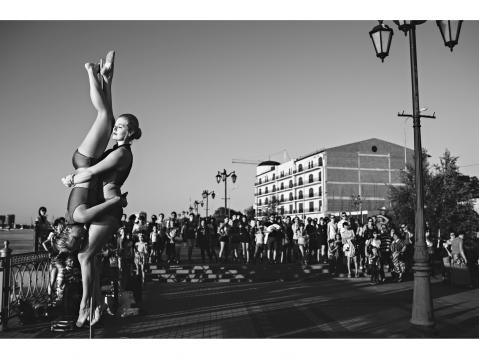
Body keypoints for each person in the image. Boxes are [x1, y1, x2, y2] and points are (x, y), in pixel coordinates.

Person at [61, 51, 141, 327]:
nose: (117, 130)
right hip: (104, 207)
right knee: (90, 259)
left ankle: (86, 305)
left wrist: (73, 178)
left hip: (108, 213)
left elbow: (93, 171)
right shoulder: (117, 149)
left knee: (85, 255)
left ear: (130, 133)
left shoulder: (121, 154)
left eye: (122, 128)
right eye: (118, 127)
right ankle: (104, 75)